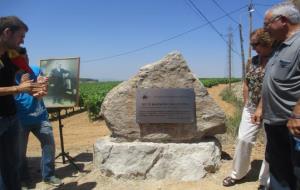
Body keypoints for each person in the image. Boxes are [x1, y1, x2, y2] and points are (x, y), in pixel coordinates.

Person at [254, 2, 300, 189]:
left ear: (282, 21)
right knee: (279, 172)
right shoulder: (279, 47)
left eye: (267, 24)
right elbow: (270, 81)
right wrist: (261, 107)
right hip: (275, 122)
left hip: (294, 125)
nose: (265, 29)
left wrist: (297, 114)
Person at [222, 28, 274, 190]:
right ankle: (237, 174)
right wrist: (246, 102)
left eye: (255, 44)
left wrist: (261, 108)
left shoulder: (277, 61)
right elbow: (246, 83)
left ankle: (265, 181)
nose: (252, 47)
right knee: (243, 139)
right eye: (251, 44)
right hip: (251, 107)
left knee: (270, 145)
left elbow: (270, 88)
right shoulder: (252, 61)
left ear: (267, 42)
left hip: (272, 109)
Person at [0, 16, 41, 190]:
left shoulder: (9, 55)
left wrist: (33, 84)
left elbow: (22, 74)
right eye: (21, 36)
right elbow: (17, 87)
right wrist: (18, 89)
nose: (23, 41)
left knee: (12, 165)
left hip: (11, 117)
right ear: (7, 32)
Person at [14, 47, 63, 188]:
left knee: (49, 145)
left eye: (27, 58)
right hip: (19, 120)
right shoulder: (9, 75)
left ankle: (48, 175)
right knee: (20, 153)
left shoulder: (35, 70)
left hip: (40, 117)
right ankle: (23, 179)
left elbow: (42, 91)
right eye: (21, 60)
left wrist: (43, 89)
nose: (25, 62)